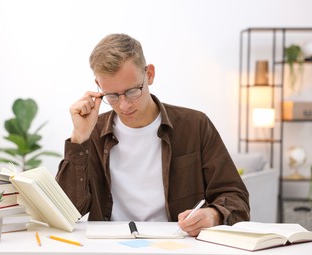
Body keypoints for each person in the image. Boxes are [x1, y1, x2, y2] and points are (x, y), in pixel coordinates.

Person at [56, 33, 249, 236]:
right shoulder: (93, 132)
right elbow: (66, 212)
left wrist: (213, 215)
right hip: (111, 247)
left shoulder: (195, 125)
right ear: (99, 86)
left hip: (179, 245)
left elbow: (236, 197)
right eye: (111, 96)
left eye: (132, 91)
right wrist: (79, 138)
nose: (124, 105)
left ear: (149, 75)